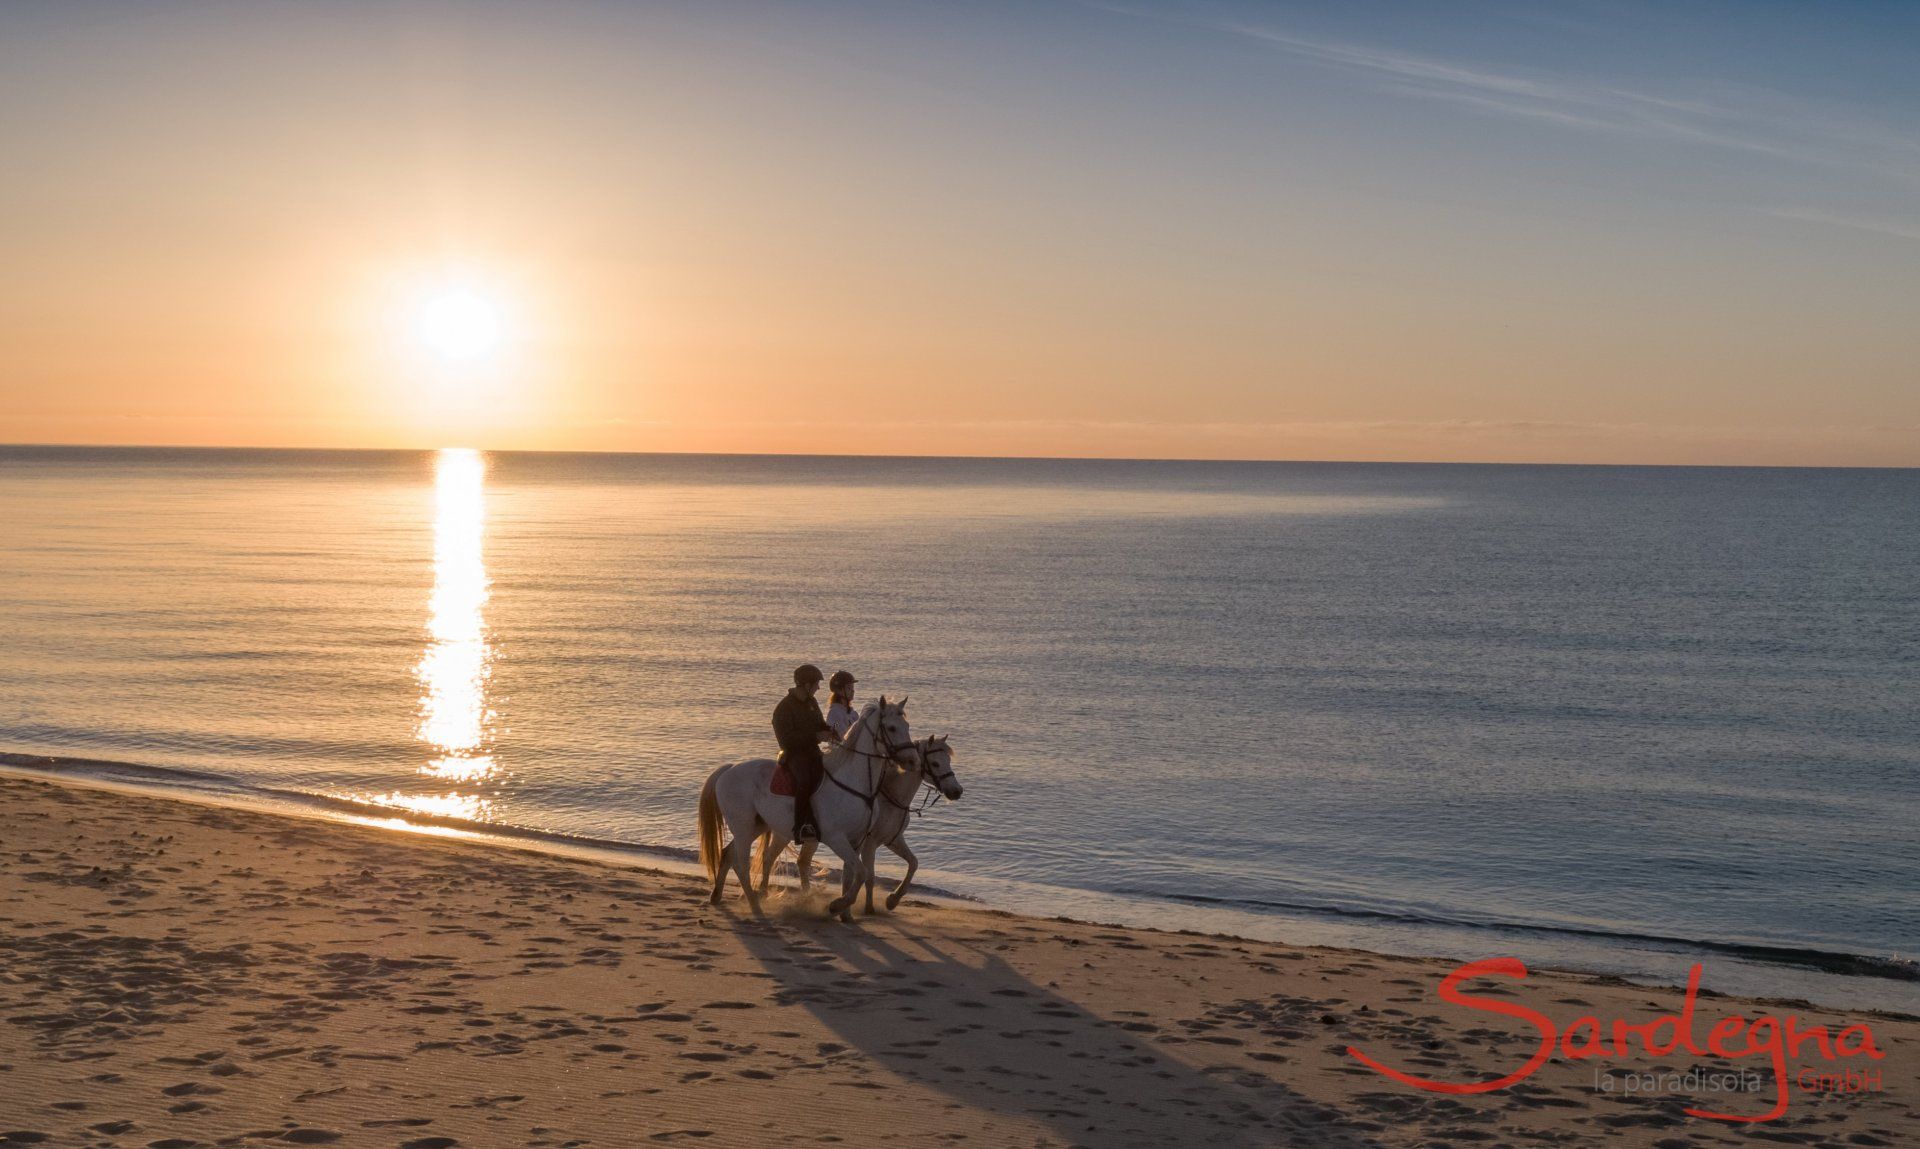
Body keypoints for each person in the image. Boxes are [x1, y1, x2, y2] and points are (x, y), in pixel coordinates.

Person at [772, 663, 833, 842]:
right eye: (816, 684)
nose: (818, 688)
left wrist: (832, 730)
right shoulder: (784, 708)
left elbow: (820, 723)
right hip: (794, 754)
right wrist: (816, 736)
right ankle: (800, 826)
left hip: (812, 752)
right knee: (805, 781)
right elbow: (786, 740)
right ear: (806, 685)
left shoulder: (811, 702)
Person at [825, 670, 860, 739]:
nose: (853, 691)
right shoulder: (834, 713)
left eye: (853, 688)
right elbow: (843, 736)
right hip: (840, 749)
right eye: (849, 688)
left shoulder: (853, 713)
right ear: (838, 690)